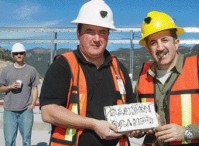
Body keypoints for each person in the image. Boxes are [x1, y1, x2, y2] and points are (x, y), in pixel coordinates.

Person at [39, 0, 136, 146]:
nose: (97, 39)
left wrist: (137, 126)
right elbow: (48, 111)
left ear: (108, 35)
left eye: (102, 32)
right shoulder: (63, 66)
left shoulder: (118, 68)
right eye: (90, 31)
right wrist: (93, 124)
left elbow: (130, 106)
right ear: (78, 33)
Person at [135, 11, 199, 146]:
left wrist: (186, 132)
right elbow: (138, 120)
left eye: (165, 40)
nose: (160, 47)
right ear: (148, 49)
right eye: (153, 42)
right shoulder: (143, 79)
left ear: (176, 43)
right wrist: (138, 128)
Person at [0, 42, 40, 146]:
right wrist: (10, 87)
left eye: (21, 53)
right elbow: (0, 89)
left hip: (26, 110)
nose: (19, 55)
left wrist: (32, 104)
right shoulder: (6, 70)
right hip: (9, 111)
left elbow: (35, 88)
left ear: (25, 54)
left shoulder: (32, 70)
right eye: (16, 53)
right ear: (13, 55)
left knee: (26, 140)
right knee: (9, 141)